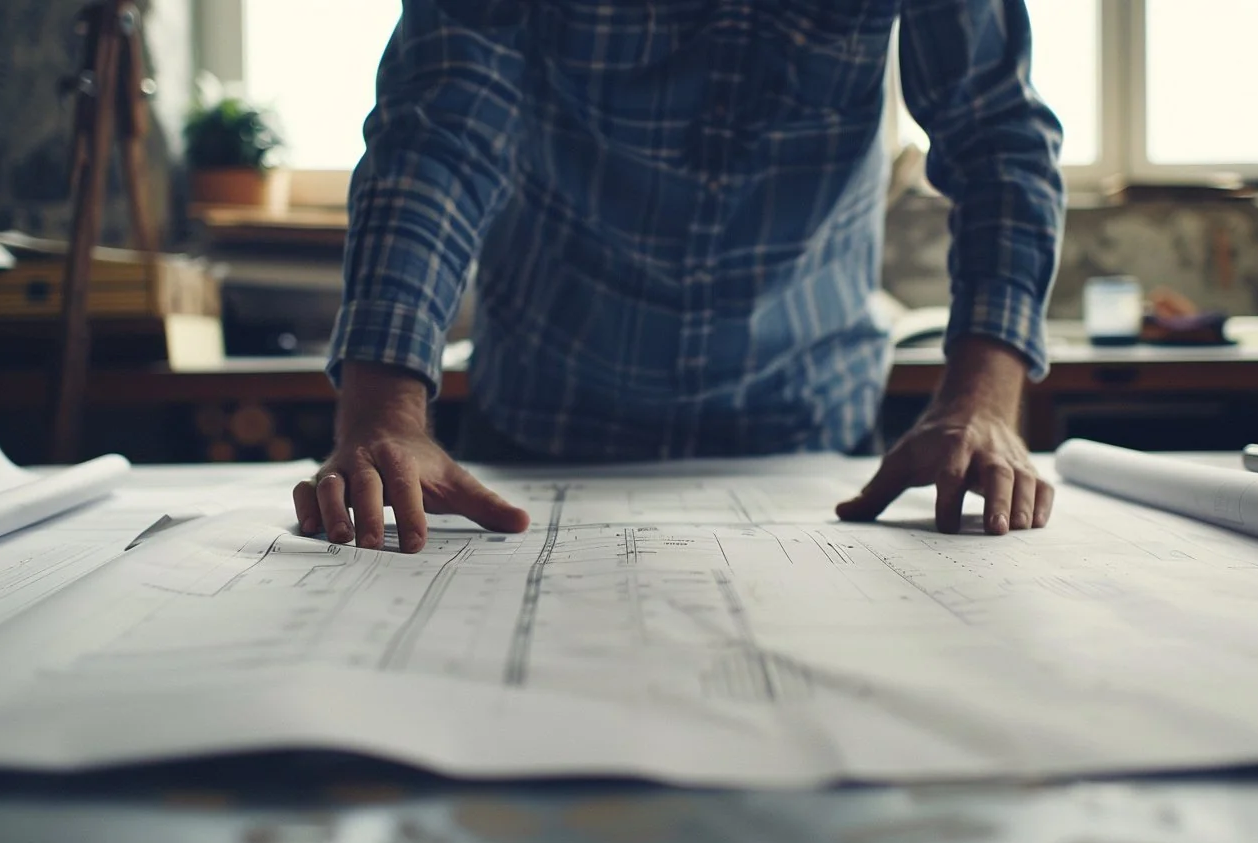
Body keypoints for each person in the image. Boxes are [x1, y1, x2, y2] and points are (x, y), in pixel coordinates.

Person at [291, 0, 1065, 553]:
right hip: (542, 419)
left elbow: (994, 133)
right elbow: (440, 130)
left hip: (805, 431)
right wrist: (382, 411)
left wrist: (984, 402)